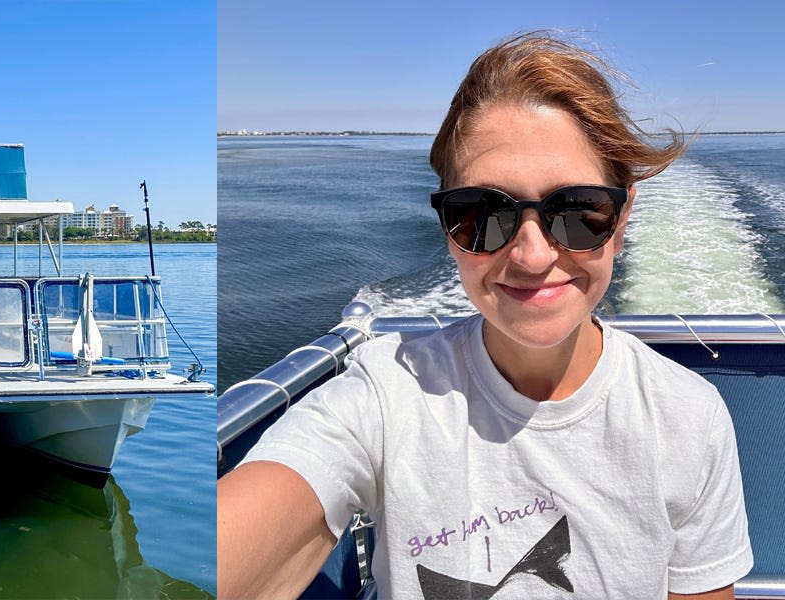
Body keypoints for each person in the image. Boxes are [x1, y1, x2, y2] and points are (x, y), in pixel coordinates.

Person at [217, 32, 752, 599]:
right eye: (482, 214)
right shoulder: (384, 394)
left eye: (577, 212)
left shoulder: (687, 417)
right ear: (447, 227)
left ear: (621, 219)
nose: (532, 255)